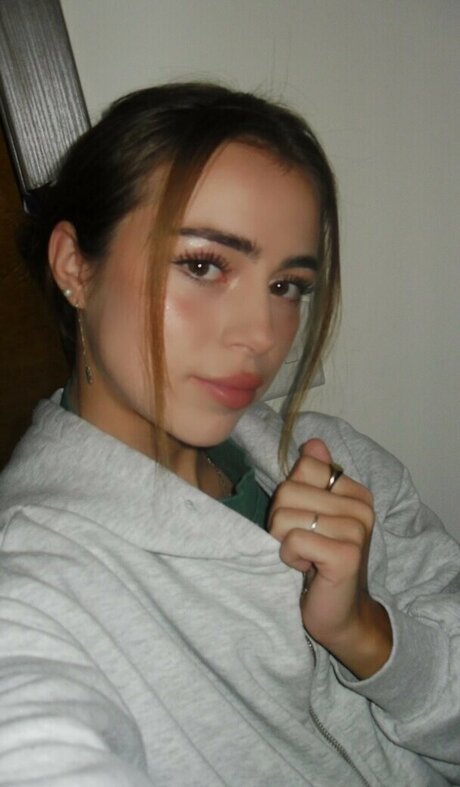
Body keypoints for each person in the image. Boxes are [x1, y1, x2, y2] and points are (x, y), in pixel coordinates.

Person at [0, 83, 458, 787]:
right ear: (75, 267)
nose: (261, 335)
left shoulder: (342, 463)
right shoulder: (34, 581)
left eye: (286, 286)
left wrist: (368, 634)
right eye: (203, 265)